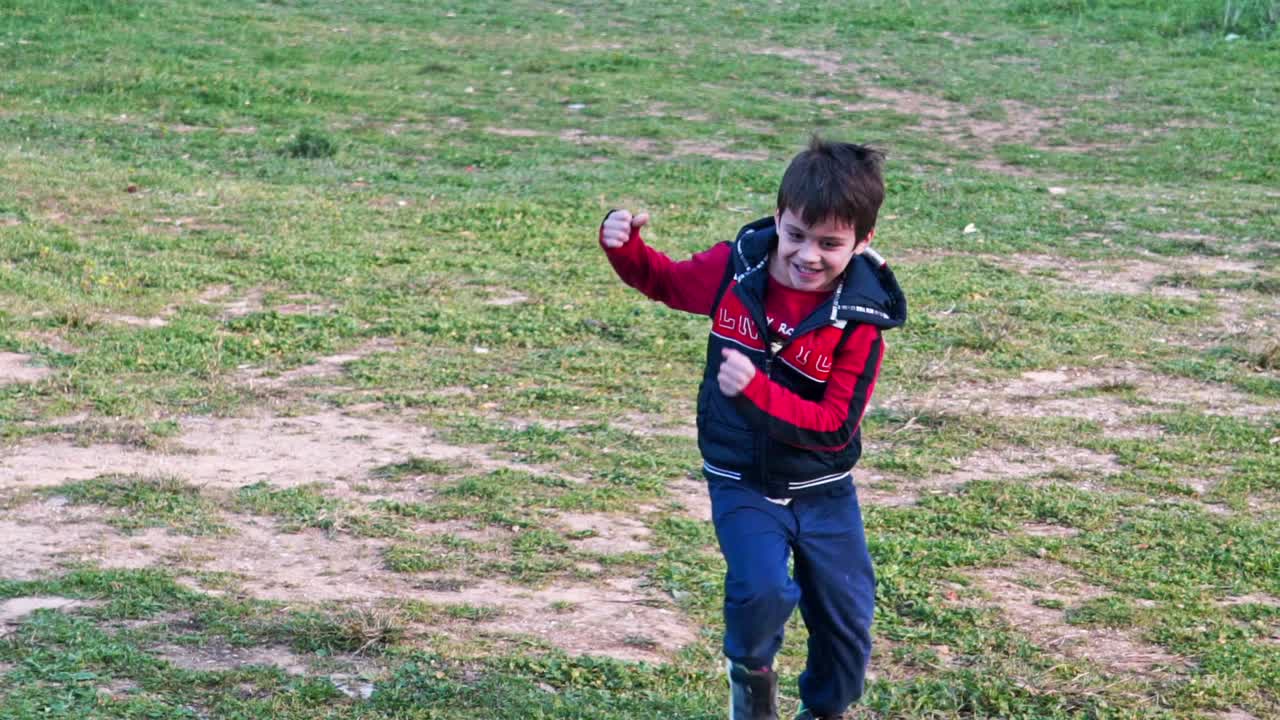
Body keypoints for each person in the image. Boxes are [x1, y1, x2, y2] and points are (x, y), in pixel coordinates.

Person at [597, 137, 907, 720]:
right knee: (760, 590)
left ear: (863, 244)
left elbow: (835, 427)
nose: (807, 255)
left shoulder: (861, 325)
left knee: (847, 621)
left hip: (823, 489)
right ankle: (752, 689)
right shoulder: (735, 271)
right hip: (740, 478)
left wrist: (758, 393)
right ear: (778, 218)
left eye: (830, 244)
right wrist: (625, 249)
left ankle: (824, 709)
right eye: (796, 235)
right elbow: (666, 281)